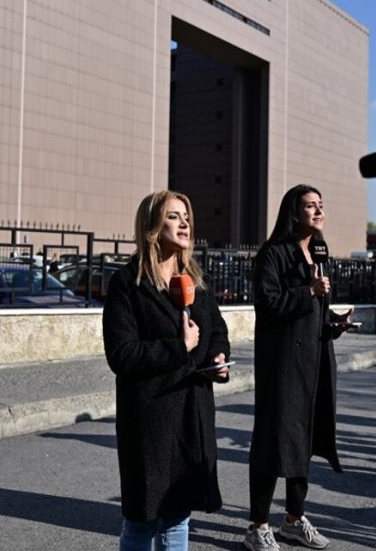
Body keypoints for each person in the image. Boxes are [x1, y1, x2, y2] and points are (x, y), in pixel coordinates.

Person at [102, 190, 231, 551]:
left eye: (186, 216)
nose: (185, 222)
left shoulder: (195, 280)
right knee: (142, 522)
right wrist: (179, 347)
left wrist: (219, 359)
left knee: (178, 519)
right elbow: (122, 355)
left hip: (192, 418)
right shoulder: (128, 283)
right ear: (151, 227)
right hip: (150, 421)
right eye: (174, 216)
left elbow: (217, 330)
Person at [245, 184, 347, 551]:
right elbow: (267, 304)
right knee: (274, 441)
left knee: (304, 439)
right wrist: (309, 292)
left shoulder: (319, 252)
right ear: (294, 212)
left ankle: (293, 518)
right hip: (283, 364)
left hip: (316, 360)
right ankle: (257, 525)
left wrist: (333, 322)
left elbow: (317, 305)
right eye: (310, 206)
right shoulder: (273, 254)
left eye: (321, 205)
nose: (319, 212)